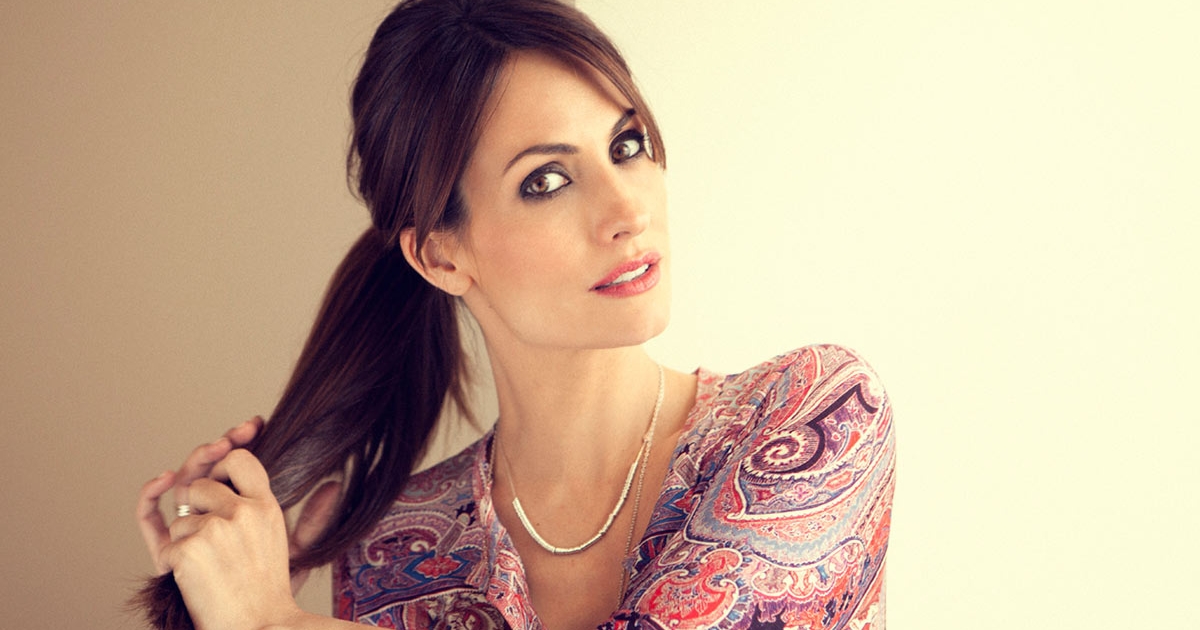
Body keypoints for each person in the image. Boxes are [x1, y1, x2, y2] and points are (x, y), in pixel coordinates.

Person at [134, 0, 896, 628]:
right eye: (547, 181)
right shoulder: (393, 548)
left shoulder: (814, 421)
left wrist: (269, 621)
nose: (628, 211)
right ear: (441, 256)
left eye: (627, 144)